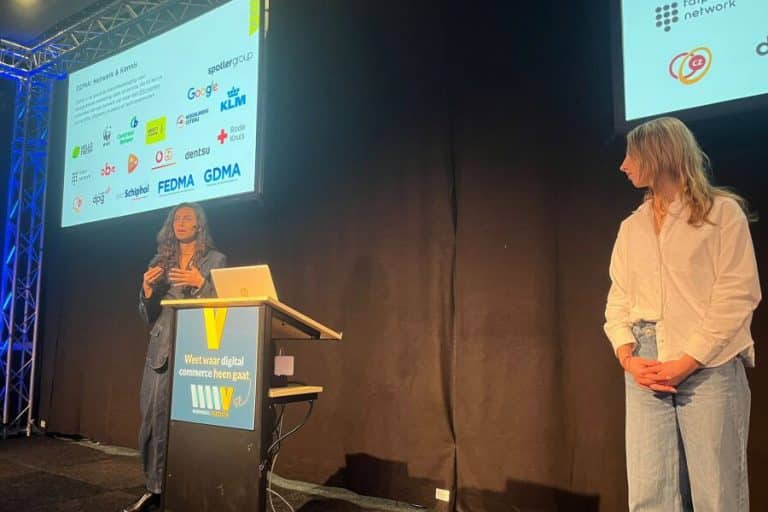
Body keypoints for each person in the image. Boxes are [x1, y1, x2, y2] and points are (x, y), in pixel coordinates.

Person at [604, 117, 761, 511]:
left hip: (709, 363)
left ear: (659, 155)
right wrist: (628, 358)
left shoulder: (721, 214)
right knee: (650, 493)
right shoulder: (632, 227)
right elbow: (618, 298)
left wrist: (688, 360)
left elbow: (737, 294)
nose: (623, 165)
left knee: (717, 494)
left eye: (632, 155)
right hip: (645, 364)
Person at [123, 203, 227, 512]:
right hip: (162, 350)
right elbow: (148, 316)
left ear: (199, 225)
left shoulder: (216, 260)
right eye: (176, 219)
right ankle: (154, 488)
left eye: (187, 218)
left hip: (198, 352)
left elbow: (225, 308)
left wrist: (201, 284)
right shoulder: (159, 262)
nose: (180, 223)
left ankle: (189, 488)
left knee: (193, 424)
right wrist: (146, 290)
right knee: (152, 420)